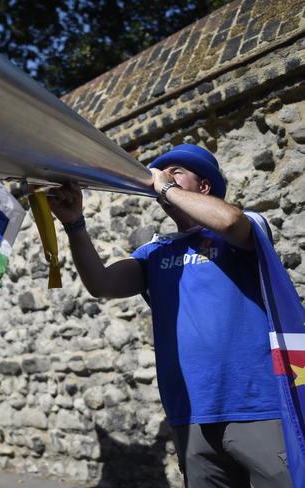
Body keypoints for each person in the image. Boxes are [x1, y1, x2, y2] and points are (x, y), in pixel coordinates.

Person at [48, 144, 291, 488]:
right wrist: (75, 225)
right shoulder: (155, 251)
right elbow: (101, 283)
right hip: (189, 414)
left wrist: (163, 186)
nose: (163, 178)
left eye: (177, 172)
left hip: (258, 409)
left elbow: (228, 220)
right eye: (163, 173)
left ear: (204, 187)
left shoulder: (245, 225)